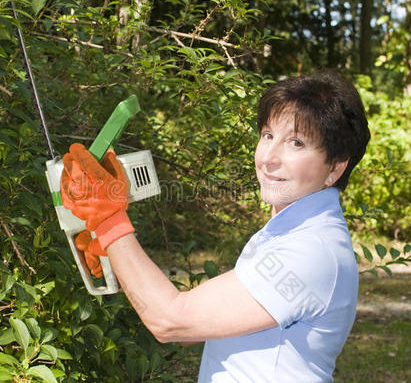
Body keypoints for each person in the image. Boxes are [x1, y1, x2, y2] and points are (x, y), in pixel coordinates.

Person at [60, 71, 371, 382]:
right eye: (267, 135)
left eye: (296, 142)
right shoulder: (288, 233)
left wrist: (109, 221)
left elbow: (171, 321)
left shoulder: (309, 251)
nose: (269, 158)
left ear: (335, 168)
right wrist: (113, 245)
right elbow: (191, 330)